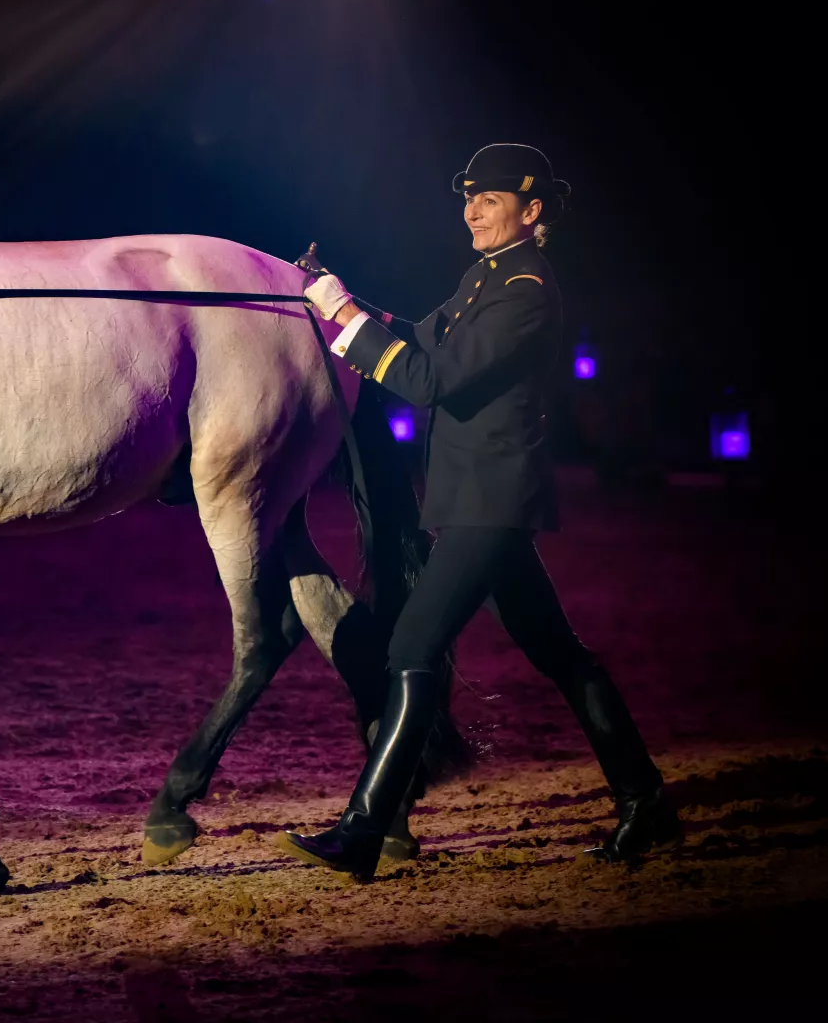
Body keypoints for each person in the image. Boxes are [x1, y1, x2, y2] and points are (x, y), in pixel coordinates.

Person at [281, 144, 681, 880]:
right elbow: (412, 334)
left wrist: (340, 314)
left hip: (491, 505)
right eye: (469, 198)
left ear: (531, 213)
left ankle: (364, 829)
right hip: (476, 501)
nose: (472, 210)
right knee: (561, 654)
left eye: (490, 200)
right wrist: (329, 296)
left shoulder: (525, 290)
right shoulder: (485, 277)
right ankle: (645, 799)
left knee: (410, 649)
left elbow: (428, 380)